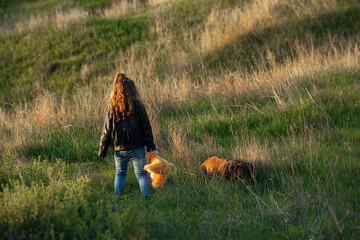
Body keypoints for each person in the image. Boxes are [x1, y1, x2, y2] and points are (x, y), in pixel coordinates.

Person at [98, 73, 158, 197]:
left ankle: (117, 198)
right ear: (133, 91)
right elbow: (147, 129)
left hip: (119, 149)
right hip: (137, 148)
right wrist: (151, 147)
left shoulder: (112, 110)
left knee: (120, 174)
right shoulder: (139, 108)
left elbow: (106, 131)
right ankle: (147, 199)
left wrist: (102, 149)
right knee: (141, 175)